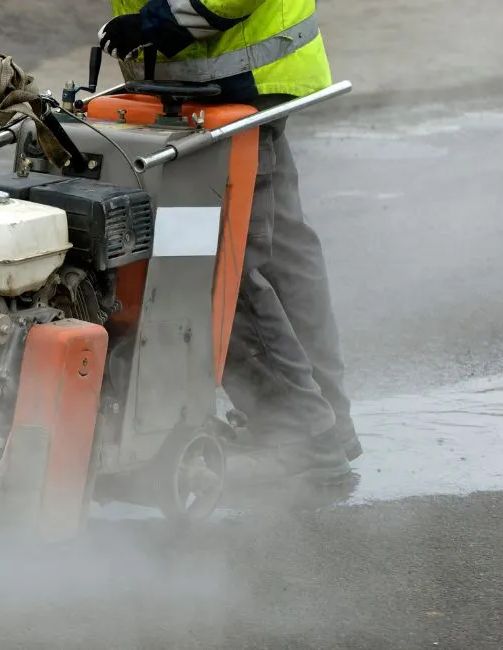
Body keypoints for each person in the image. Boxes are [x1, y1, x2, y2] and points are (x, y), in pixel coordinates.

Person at [98, 0, 362, 487]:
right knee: (280, 256)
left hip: (230, 78)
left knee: (221, 268)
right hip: (231, 77)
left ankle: (301, 436)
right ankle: (325, 424)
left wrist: (163, 23)